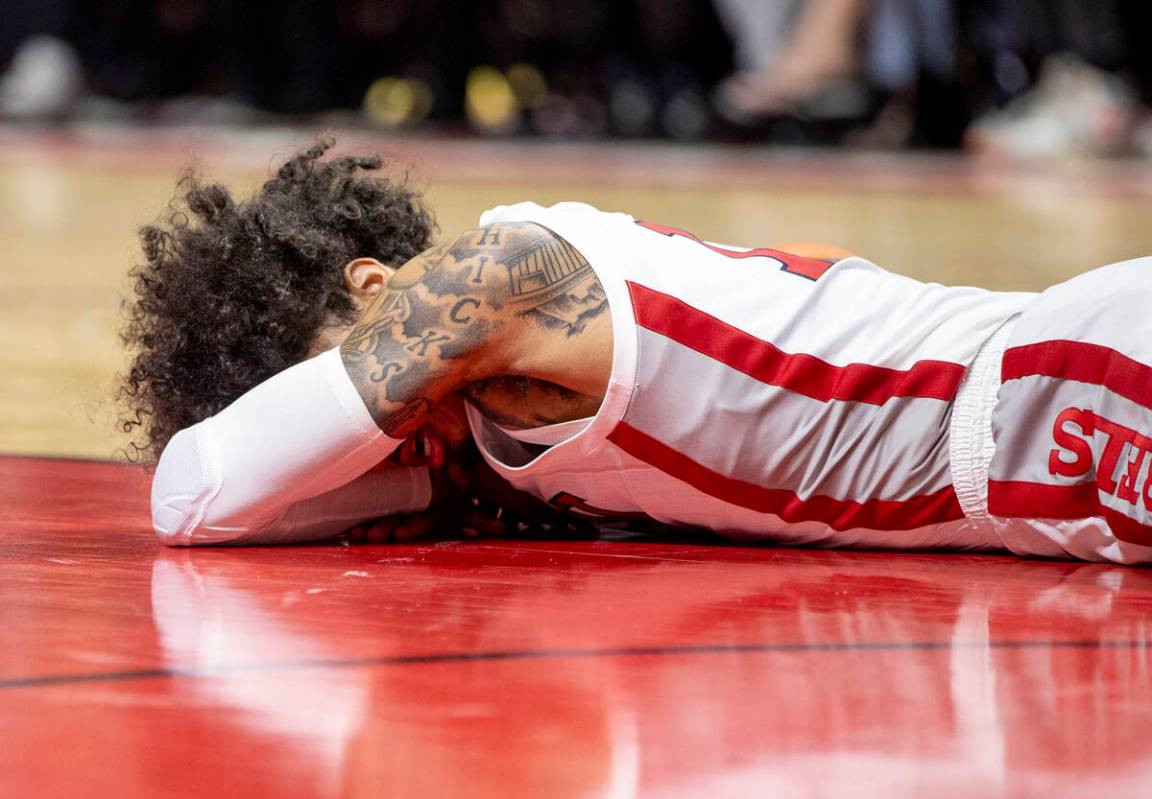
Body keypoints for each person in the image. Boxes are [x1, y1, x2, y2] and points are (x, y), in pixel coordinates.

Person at [124, 139, 1152, 564]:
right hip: (1048, 471)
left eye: (332, 374)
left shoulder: (488, 278)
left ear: (372, 285)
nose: (395, 438)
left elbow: (192, 496)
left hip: (1069, 394)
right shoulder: (493, 424)